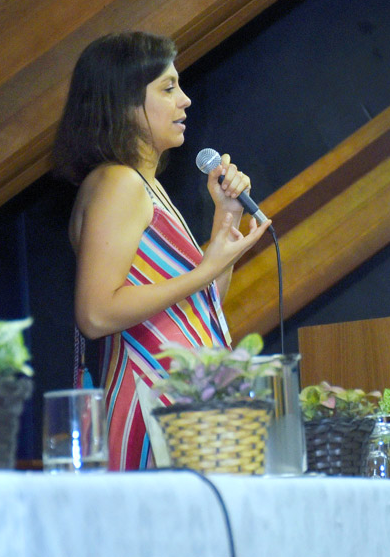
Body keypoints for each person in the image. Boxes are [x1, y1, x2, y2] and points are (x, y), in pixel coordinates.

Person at [53, 32, 269, 470]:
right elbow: (95, 314)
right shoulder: (119, 182)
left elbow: (196, 310)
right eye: (168, 88)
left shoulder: (143, 184)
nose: (185, 100)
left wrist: (223, 223)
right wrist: (205, 269)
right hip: (150, 401)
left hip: (179, 405)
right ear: (125, 103)